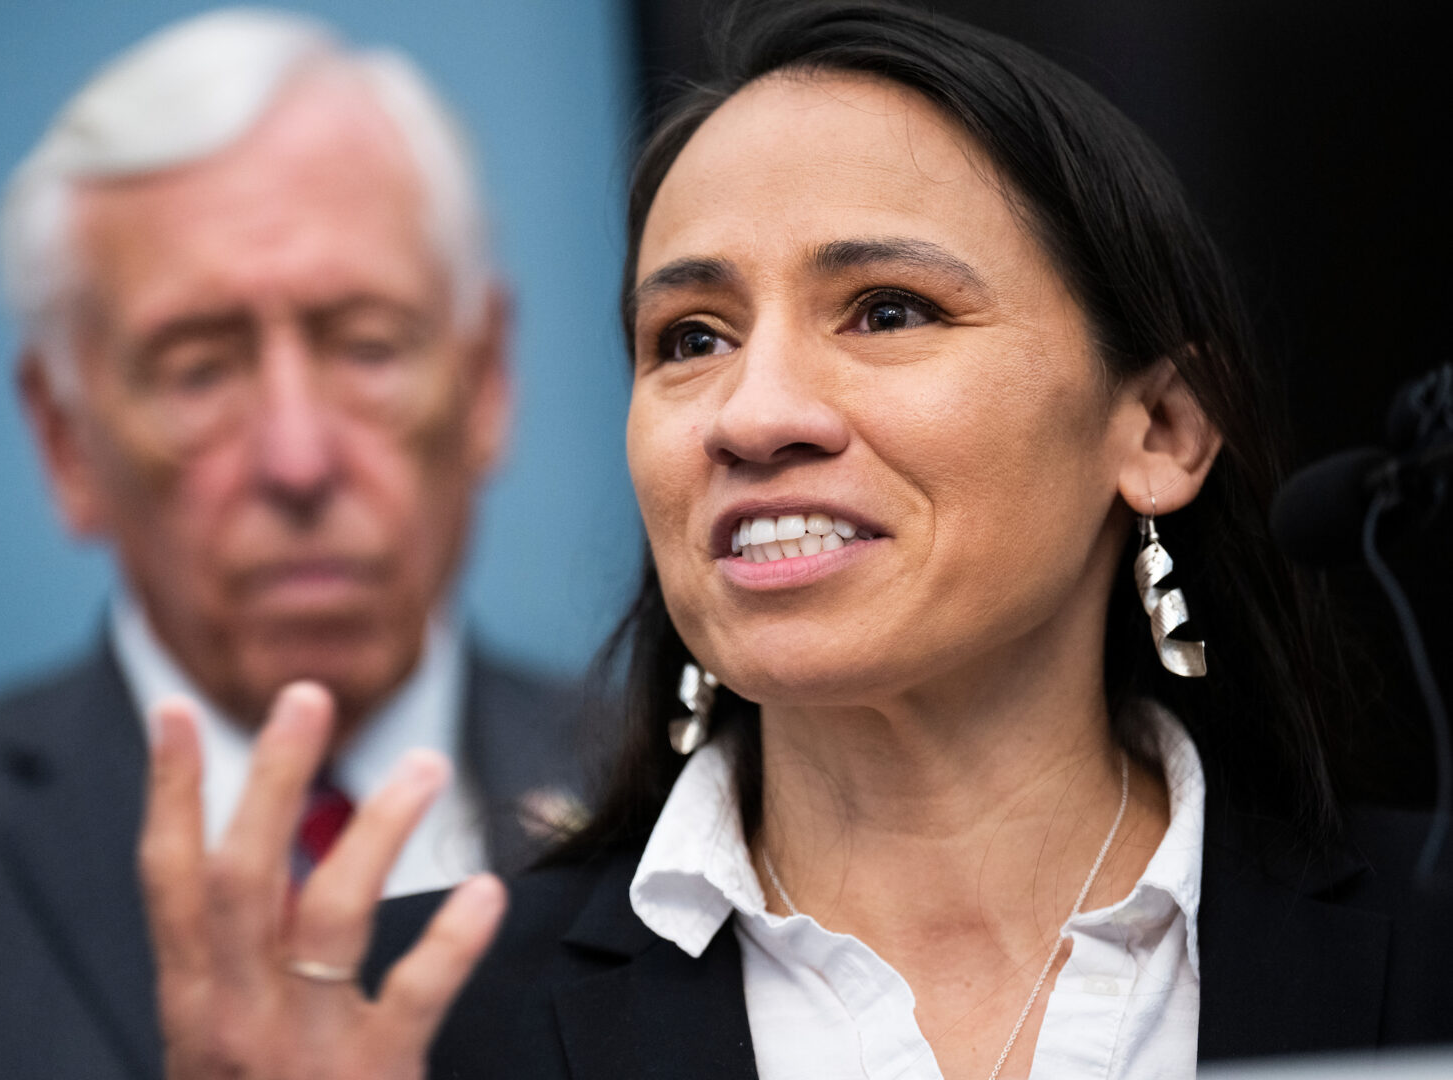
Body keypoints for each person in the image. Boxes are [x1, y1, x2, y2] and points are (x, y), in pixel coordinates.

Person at [136, 2, 1453, 1077]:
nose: (752, 416)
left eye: (887, 310)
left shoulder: (1429, 940)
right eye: (690, 341)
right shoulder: (399, 1027)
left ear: (1161, 428)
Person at [0, 10, 588, 1078]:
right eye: (199, 369)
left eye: (368, 346)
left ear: (487, 383)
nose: (297, 459)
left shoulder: (701, 805)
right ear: (65, 443)